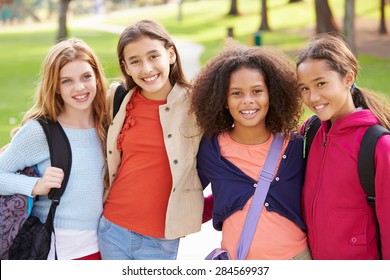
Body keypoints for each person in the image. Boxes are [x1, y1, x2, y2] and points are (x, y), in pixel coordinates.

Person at [191, 42, 311, 260]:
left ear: (271, 94)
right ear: (224, 101)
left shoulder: (295, 146)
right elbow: (188, 198)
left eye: (257, 91)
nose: (248, 101)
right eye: (236, 93)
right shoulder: (211, 149)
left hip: (296, 260)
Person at [98, 19, 204, 260]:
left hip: (161, 239)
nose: (146, 69)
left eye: (153, 56)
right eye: (135, 61)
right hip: (112, 228)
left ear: (171, 54)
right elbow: (72, 118)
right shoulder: (117, 99)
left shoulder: (197, 104)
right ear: (126, 67)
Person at [0, 38, 109, 260]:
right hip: (58, 247)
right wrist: (35, 185)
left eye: (86, 77)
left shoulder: (107, 125)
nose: (79, 88)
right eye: (67, 81)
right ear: (56, 87)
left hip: (105, 242)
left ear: (97, 77)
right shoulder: (42, 131)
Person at [296, 33, 390, 260]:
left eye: (321, 84)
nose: (313, 97)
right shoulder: (310, 131)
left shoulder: (378, 145)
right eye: (304, 88)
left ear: (348, 79)